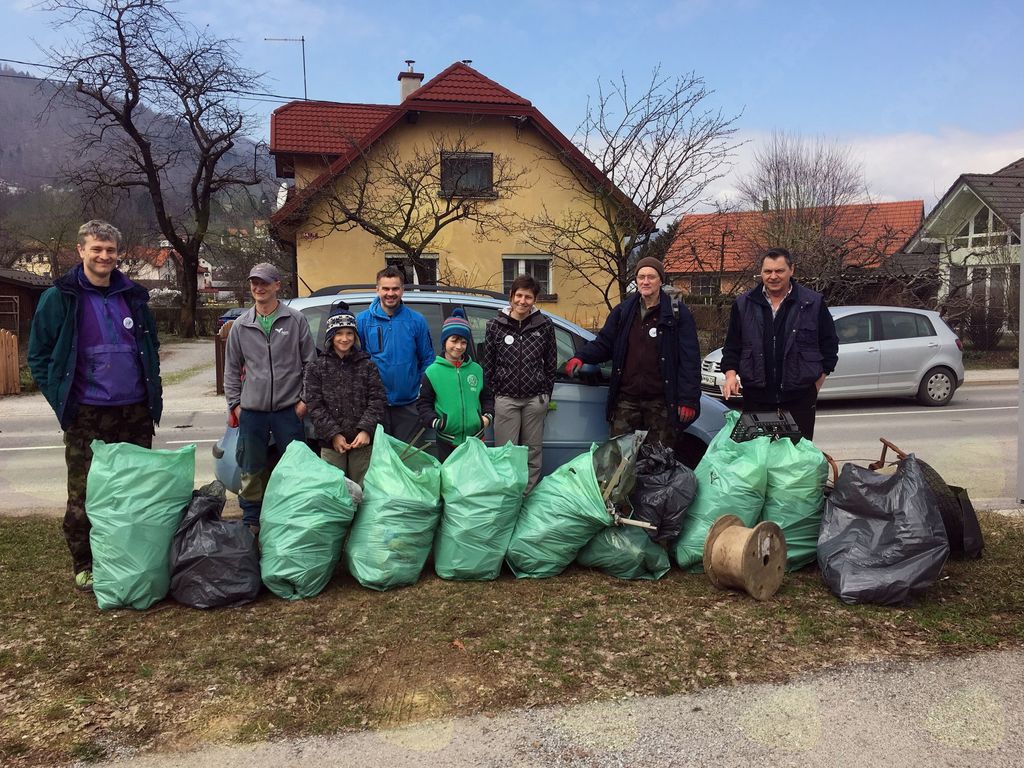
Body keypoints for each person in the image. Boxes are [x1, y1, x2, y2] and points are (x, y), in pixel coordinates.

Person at [28, 219, 163, 592]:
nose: (104, 256)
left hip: (135, 411)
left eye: (110, 250)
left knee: (134, 490)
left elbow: (150, 347)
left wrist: (152, 392)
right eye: (96, 249)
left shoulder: (133, 296)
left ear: (118, 254)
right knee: (85, 493)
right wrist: (62, 400)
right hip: (86, 412)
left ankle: (128, 557)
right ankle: (85, 564)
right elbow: (38, 355)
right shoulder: (60, 297)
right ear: (81, 251)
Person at [565, 257, 701, 446]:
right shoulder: (623, 311)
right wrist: (581, 357)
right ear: (636, 280)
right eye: (641, 277)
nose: (645, 281)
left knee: (658, 458)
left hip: (661, 402)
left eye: (651, 277)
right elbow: (604, 343)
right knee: (622, 458)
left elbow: (690, 359)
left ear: (661, 281)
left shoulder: (677, 314)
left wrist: (688, 400)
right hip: (626, 401)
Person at [224, 262, 316, 531]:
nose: (258, 287)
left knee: (294, 466)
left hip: (289, 409)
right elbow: (231, 369)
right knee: (250, 467)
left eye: (264, 282)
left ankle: (294, 515)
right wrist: (236, 405)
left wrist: (304, 401)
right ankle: (251, 521)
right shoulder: (241, 325)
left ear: (277, 285)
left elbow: (311, 364)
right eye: (255, 282)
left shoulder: (295, 320)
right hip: (252, 411)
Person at [720, 247, 839, 440]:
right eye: (768, 271)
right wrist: (731, 375)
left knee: (796, 455)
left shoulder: (812, 303)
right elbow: (733, 346)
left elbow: (829, 346)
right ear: (761, 272)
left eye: (779, 271)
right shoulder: (743, 304)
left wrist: (817, 383)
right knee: (757, 454)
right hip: (757, 397)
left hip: (799, 398)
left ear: (792, 270)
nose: (773, 276)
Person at [482, 273, 557, 493]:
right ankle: (508, 496)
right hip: (506, 400)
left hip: (535, 400)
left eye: (528, 297)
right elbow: (489, 365)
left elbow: (551, 363)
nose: (522, 301)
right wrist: (494, 396)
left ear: (535, 300)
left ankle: (527, 495)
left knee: (532, 452)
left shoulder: (545, 325)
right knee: (506, 453)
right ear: (511, 296)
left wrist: (546, 393)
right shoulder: (495, 325)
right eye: (519, 296)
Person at [302, 301, 387, 486]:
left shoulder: (367, 366)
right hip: (331, 443)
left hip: (361, 443)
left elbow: (378, 399)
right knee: (334, 490)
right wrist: (333, 434)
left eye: (349, 333)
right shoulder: (316, 367)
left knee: (363, 489)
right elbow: (314, 405)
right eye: (339, 333)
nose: (344, 338)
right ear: (330, 336)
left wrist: (365, 430)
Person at [356, 266, 434, 444]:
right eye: (385, 288)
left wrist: (420, 392)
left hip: (409, 406)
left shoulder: (416, 320)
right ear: (377, 290)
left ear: (402, 290)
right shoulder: (362, 321)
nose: (390, 294)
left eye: (395, 289)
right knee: (379, 458)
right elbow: (357, 363)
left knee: (407, 458)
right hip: (374, 407)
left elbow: (427, 360)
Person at [416, 309, 494, 461]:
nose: (459, 346)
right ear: (445, 341)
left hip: (475, 439)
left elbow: (487, 398)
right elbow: (424, 403)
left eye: (463, 342)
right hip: (447, 440)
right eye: (454, 340)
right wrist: (437, 422)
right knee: (449, 475)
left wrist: (487, 417)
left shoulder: (476, 370)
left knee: (473, 474)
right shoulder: (433, 372)